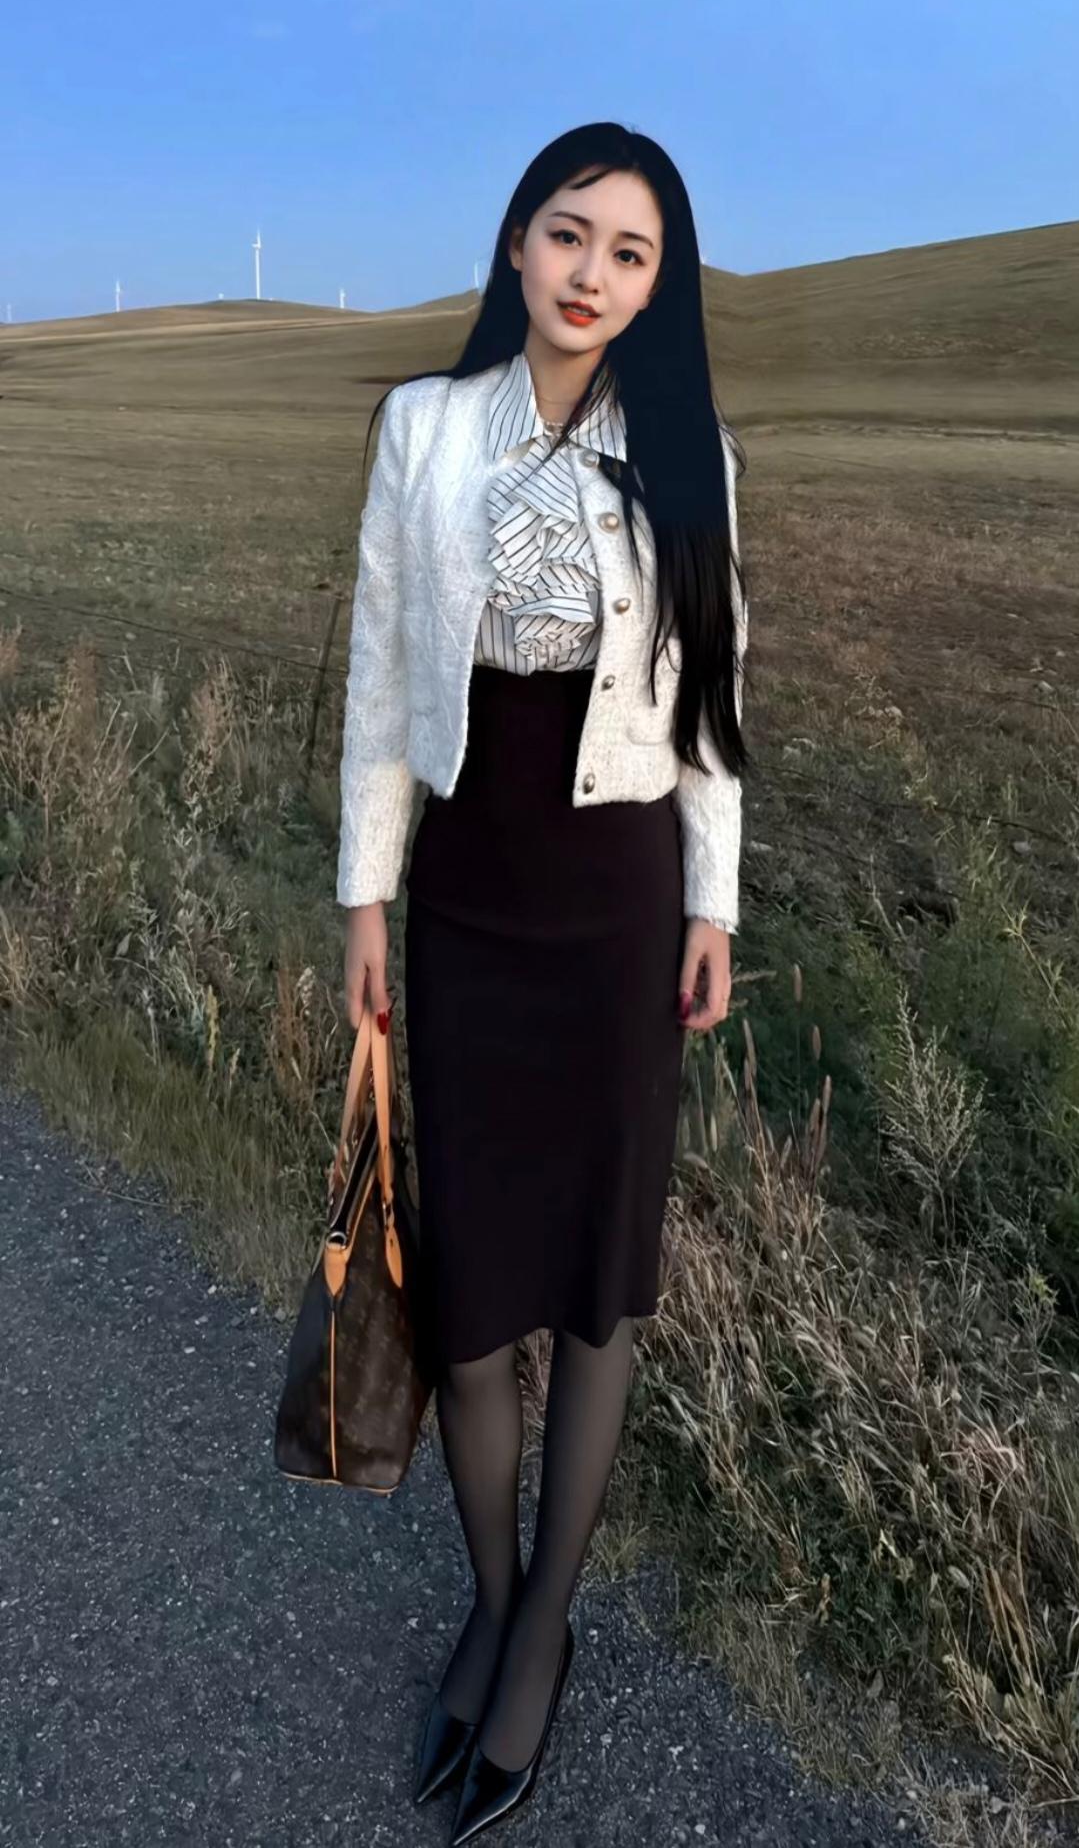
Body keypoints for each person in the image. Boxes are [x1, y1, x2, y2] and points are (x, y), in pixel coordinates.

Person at [338, 120, 750, 1844]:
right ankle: (494, 1600)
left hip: (619, 904)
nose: (591, 273)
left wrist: (713, 903)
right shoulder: (423, 429)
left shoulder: (691, 452)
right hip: (470, 897)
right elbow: (379, 669)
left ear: (657, 288)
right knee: (473, 1293)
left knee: (592, 1285)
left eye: (629, 253)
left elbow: (720, 696)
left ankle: (542, 1630)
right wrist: (366, 893)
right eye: (569, 233)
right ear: (517, 241)